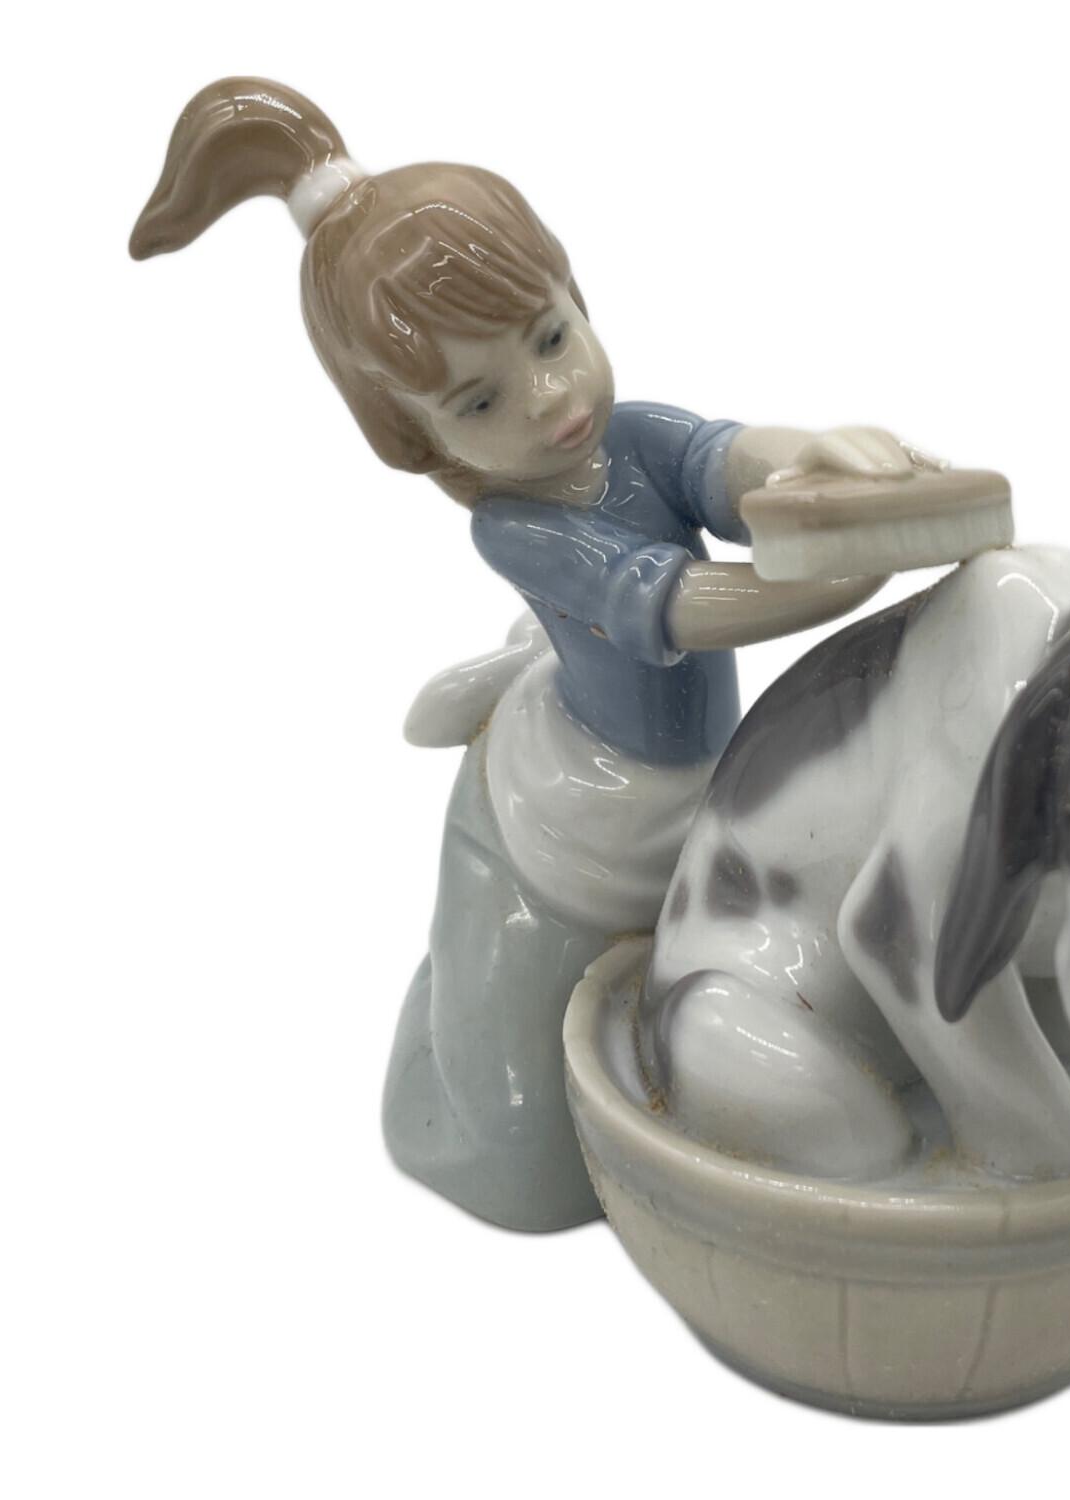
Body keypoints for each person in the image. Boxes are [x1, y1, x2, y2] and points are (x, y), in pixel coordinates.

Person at [132, 77, 936, 1228]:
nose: (551, 400)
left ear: (575, 292)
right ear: (420, 441)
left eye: (553, 337)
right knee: (528, 1138)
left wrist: (816, 458)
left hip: (705, 782)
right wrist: (831, 580)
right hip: (587, 815)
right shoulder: (517, 525)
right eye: (479, 401)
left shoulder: (633, 437)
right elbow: (683, 607)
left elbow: (725, 461)